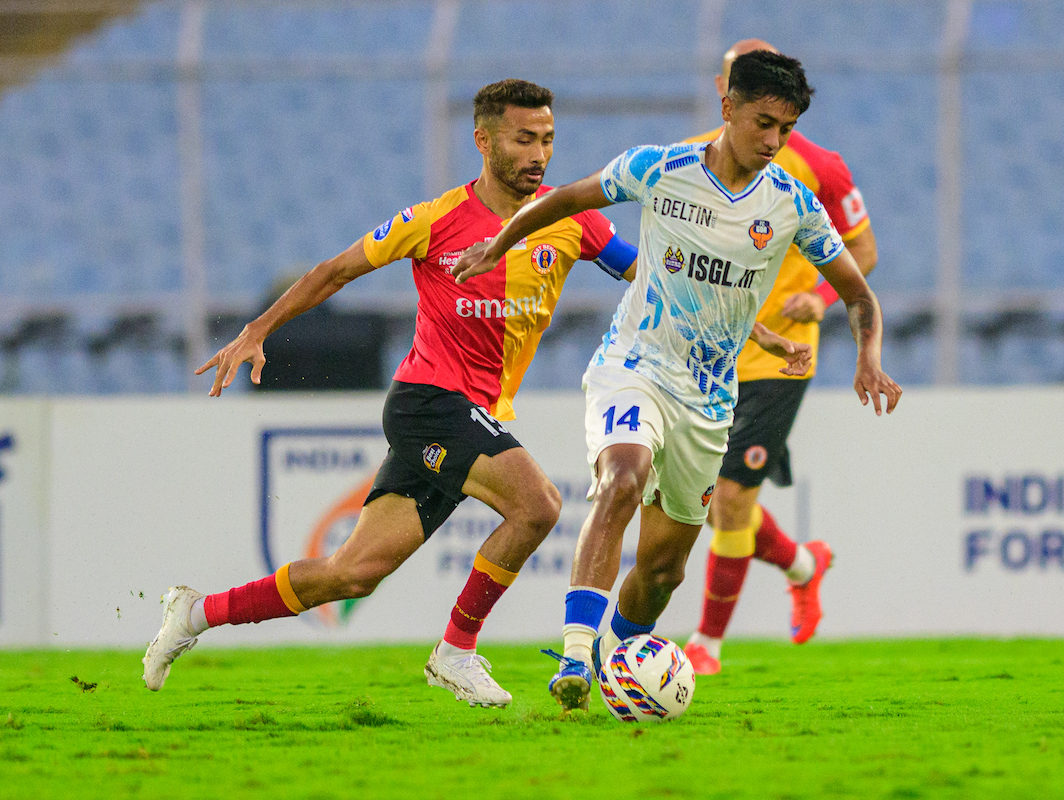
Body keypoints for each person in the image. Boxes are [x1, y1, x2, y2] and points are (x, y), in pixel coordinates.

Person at [141, 79, 638, 708]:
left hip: (468, 413)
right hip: (427, 402)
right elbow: (335, 271)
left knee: (353, 573)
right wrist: (257, 330)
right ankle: (456, 652)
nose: (538, 154)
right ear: (484, 141)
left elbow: (644, 273)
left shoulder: (571, 219)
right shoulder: (433, 220)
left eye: (547, 140)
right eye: (523, 139)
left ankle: (194, 613)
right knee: (537, 505)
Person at [452, 51, 901, 711]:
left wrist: (869, 357)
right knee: (622, 477)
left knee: (663, 571)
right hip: (634, 364)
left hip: (709, 398)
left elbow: (859, 294)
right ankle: (575, 655)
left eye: (786, 128)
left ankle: (617, 657)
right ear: (728, 108)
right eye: (763, 123)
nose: (774, 141)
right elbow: (566, 199)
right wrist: (498, 243)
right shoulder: (659, 169)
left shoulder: (792, 204)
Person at [682, 39, 880, 675]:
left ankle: (706, 646)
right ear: (726, 91)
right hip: (710, 353)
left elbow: (863, 252)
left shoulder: (819, 166)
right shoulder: (691, 161)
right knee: (707, 498)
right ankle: (801, 563)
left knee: (731, 498)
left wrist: (818, 298)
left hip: (781, 359)